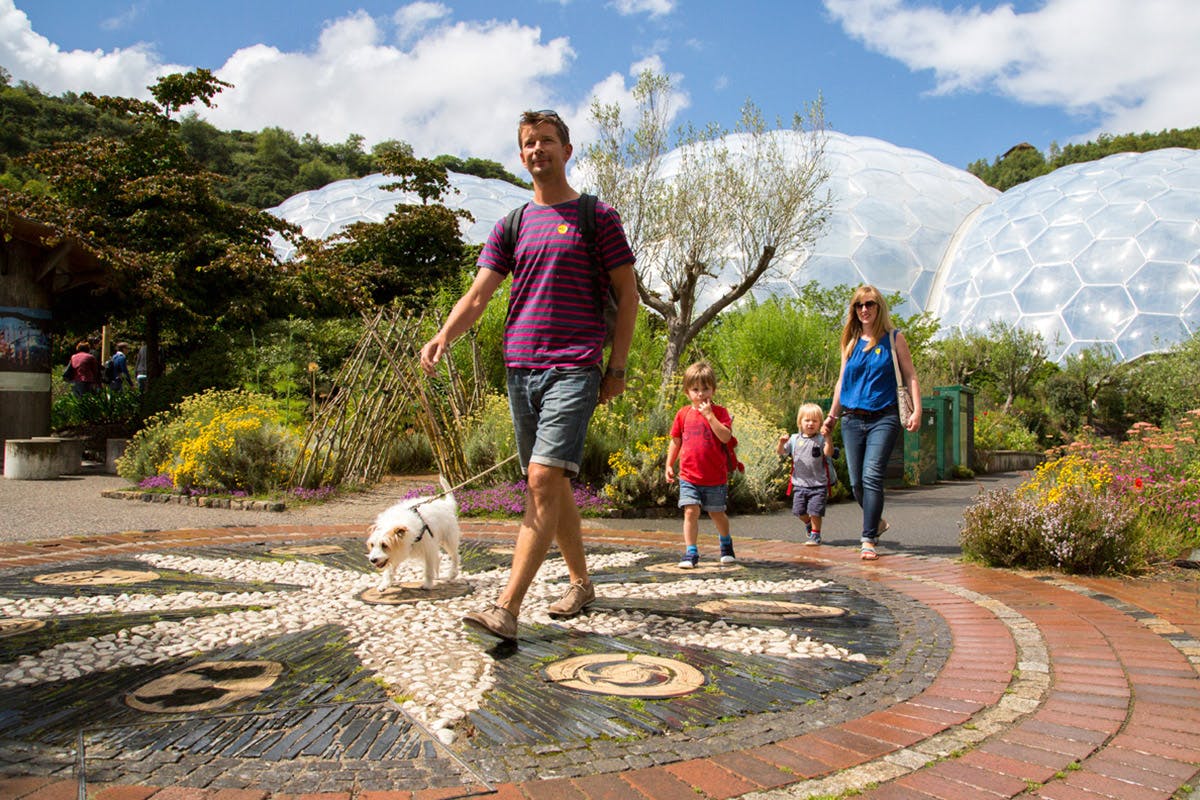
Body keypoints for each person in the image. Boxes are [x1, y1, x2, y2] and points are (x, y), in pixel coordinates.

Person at [420, 109, 638, 642]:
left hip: (575, 366)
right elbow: (479, 295)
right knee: (552, 482)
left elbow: (627, 294)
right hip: (520, 368)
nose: (537, 149)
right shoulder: (512, 224)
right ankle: (581, 583)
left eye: (546, 140)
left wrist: (616, 367)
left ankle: (507, 608)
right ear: (521, 156)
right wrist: (445, 334)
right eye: (528, 143)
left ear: (567, 150)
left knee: (541, 479)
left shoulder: (596, 216)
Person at [821, 286, 920, 560]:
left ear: (879, 307)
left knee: (872, 476)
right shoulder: (850, 342)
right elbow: (841, 382)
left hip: (884, 417)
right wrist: (831, 416)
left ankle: (868, 539)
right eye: (859, 305)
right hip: (852, 419)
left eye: (870, 304)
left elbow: (911, 376)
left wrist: (917, 411)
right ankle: (876, 521)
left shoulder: (894, 338)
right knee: (856, 484)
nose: (864, 309)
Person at [664, 361, 738, 568]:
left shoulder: (720, 413)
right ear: (687, 392)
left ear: (713, 390)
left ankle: (726, 543)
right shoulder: (683, 414)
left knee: (717, 513)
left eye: (705, 389)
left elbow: (725, 437)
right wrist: (669, 464)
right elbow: (676, 441)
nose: (701, 394)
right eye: (695, 389)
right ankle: (691, 552)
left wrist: (710, 416)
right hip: (689, 476)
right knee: (690, 511)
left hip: (714, 477)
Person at [778, 402, 834, 546]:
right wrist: (781, 443)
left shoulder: (821, 439)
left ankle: (815, 535)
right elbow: (781, 452)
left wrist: (828, 438)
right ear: (800, 422)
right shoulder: (794, 439)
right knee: (799, 511)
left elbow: (828, 453)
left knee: (815, 511)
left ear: (820, 423)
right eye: (807, 420)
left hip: (818, 484)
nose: (810, 424)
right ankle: (808, 523)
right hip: (799, 484)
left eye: (815, 421)